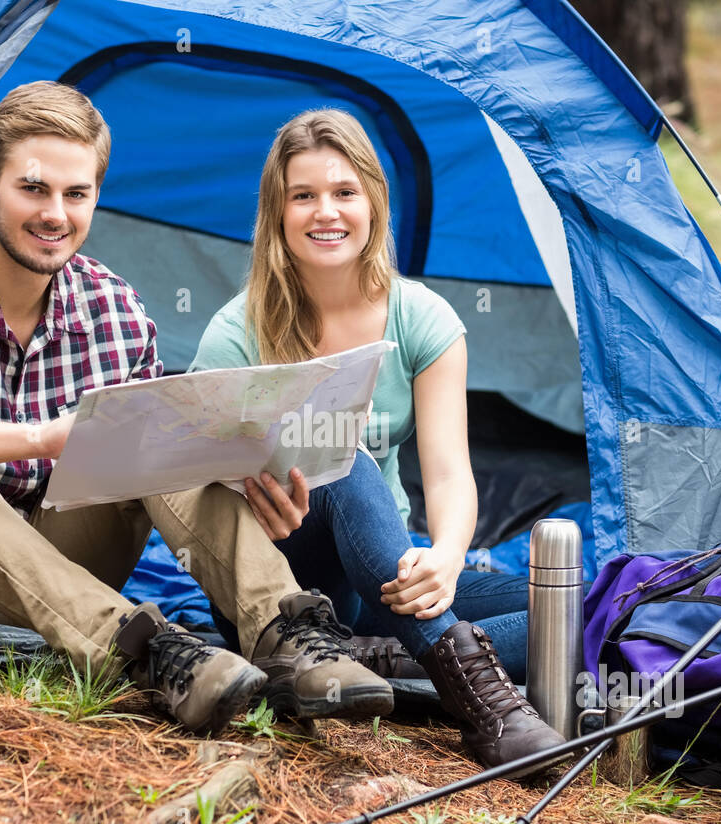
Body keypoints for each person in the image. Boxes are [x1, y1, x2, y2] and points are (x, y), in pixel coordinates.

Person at [0, 82, 396, 734]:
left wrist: (248, 484)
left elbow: (173, 474)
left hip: (65, 567)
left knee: (162, 430)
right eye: (33, 189)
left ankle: (284, 634)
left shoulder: (115, 311)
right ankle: (147, 653)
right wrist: (37, 438)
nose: (54, 213)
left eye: (76, 193)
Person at [191, 109, 565, 775]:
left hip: (378, 580)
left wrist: (447, 557)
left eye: (343, 193)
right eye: (303, 196)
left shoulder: (421, 319)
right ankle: (489, 711)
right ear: (278, 213)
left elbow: (448, 473)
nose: (325, 212)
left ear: (373, 202)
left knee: (573, 607)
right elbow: (191, 479)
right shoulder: (234, 334)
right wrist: (248, 493)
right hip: (280, 585)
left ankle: (381, 659)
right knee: (338, 451)